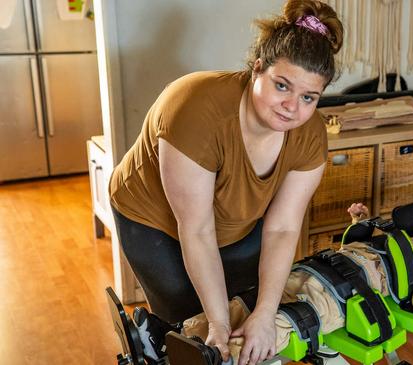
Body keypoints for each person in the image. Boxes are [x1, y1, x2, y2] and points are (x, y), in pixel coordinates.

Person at [108, 1, 343, 364]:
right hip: (154, 220)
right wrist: (215, 323)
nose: (292, 107)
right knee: (190, 326)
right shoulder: (196, 111)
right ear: (257, 68)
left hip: (237, 219)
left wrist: (265, 312)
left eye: (308, 97)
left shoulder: (309, 137)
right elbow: (197, 229)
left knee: (245, 311)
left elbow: (282, 229)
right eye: (282, 85)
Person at [135, 203, 413, 363]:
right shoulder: (391, 234)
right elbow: (355, 243)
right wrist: (359, 220)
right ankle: (170, 336)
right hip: (315, 270)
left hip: (339, 297)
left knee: (285, 323)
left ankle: (216, 359)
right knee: (246, 304)